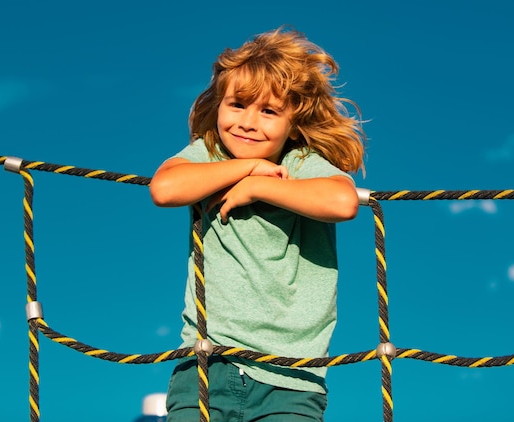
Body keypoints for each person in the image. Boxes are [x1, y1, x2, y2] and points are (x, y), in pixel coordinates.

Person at [149, 26, 366, 421]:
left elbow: (342, 201)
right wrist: (248, 167)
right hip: (204, 365)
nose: (248, 122)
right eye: (237, 105)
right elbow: (165, 188)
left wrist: (258, 189)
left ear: (294, 123)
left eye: (268, 111)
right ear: (218, 106)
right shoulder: (209, 155)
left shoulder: (301, 164)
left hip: (291, 378)